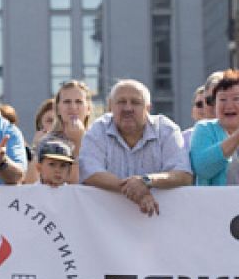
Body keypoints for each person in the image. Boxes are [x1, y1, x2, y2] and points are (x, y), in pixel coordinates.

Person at [80, 79, 192, 216]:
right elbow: (89, 173)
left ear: (148, 108)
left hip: (160, 223)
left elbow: (183, 175)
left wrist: (146, 181)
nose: (128, 108)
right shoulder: (98, 129)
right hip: (106, 222)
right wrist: (137, 191)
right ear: (110, 107)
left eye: (136, 102)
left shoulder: (166, 129)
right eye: (121, 102)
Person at [190, 70, 239, 185]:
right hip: (216, 202)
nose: (229, 105)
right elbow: (203, 168)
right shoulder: (204, 129)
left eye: (236, 99)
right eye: (222, 99)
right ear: (214, 105)